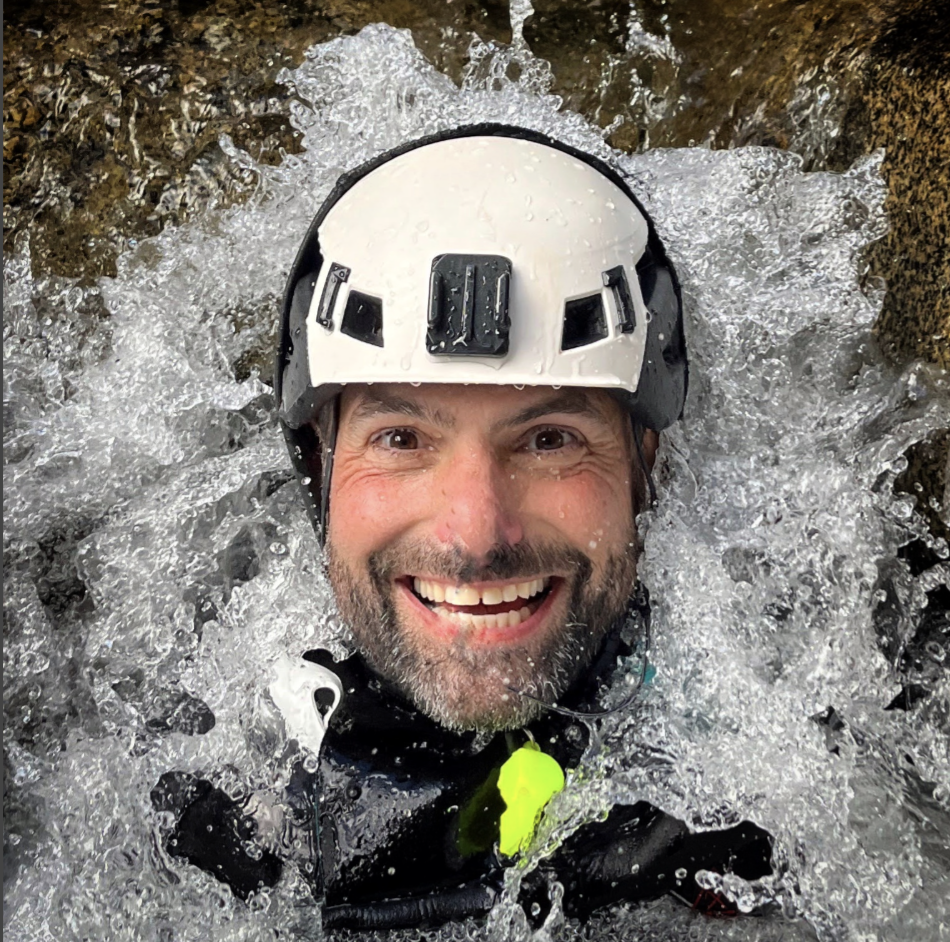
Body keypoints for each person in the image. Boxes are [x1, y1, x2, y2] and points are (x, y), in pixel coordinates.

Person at [154, 125, 772, 929]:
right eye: (402, 439)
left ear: (646, 464)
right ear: (320, 466)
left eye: (549, 439)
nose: (476, 536)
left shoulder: (789, 743)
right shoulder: (208, 781)